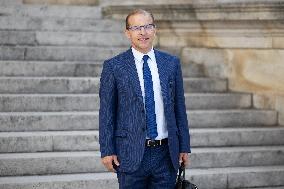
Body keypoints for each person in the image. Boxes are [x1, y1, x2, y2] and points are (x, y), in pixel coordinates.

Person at [99, 9, 191, 189]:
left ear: (155, 29)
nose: (143, 32)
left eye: (148, 26)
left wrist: (184, 146)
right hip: (130, 153)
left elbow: (179, 108)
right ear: (128, 33)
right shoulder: (114, 66)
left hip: (166, 154)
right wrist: (107, 150)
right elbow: (106, 113)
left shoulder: (171, 63)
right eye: (137, 28)